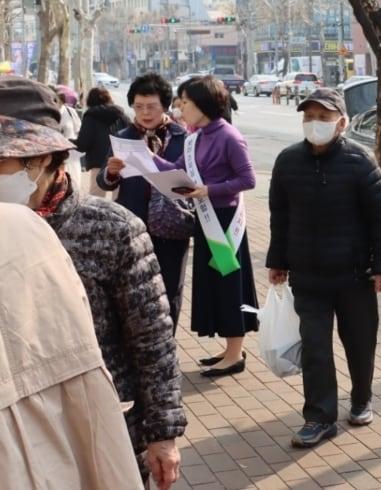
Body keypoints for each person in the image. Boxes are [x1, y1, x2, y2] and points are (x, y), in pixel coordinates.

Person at [0, 78, 185, 489]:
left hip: (103, 425)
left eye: (2, 163)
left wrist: (163, 435)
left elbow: (153, 342)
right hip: (15, 435)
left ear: (45, 159)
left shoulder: (110, 229)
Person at [267, 88, 381, 448]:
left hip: (355, 276)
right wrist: (277, 261)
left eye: (323, 118)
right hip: (308, 277)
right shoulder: (288, 161)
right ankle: (319, 417)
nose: (314, 124)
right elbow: (280, 216)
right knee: (315, 348)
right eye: (308, 117)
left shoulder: (359, 160)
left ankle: (361, 398)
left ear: (341, 122)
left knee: (359, 343)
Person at [0, 202, 145, 490]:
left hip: (65, 405)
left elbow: (150, 331)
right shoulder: (27, 222)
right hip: (66, 418)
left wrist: (164, 428)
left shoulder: (111, 223)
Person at [153, 75, 259, 377]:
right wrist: (145, 158)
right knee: (214, 285)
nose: (179, 107)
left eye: (184, 101)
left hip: (225, 225)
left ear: (204, 103)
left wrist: (208, 190)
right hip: (204, 219)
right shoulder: (195, 137)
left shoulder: (229, 136)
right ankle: (229, 348)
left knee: (228, 285)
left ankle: (235, 354)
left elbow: (247, 180)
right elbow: (178, 170)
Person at [102, 73, 192, 329]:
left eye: (151, 106)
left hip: (171, 226)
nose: (145, 113)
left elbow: (191, 182)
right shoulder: (123, 137)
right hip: (132, 228)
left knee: (170, 289)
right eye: (138, 107)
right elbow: (103, 182)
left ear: (164, 105)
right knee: (131, 291)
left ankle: (167, 347)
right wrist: (111, 172)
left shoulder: (183, 137)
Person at [73, 86, 128, 197]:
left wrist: (69, 142)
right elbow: (131, 135)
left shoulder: (90, 116)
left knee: (96, 202)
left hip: (98, 163)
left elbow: (84, 144)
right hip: (119, 162)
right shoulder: (120, 114)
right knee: (120, 201)